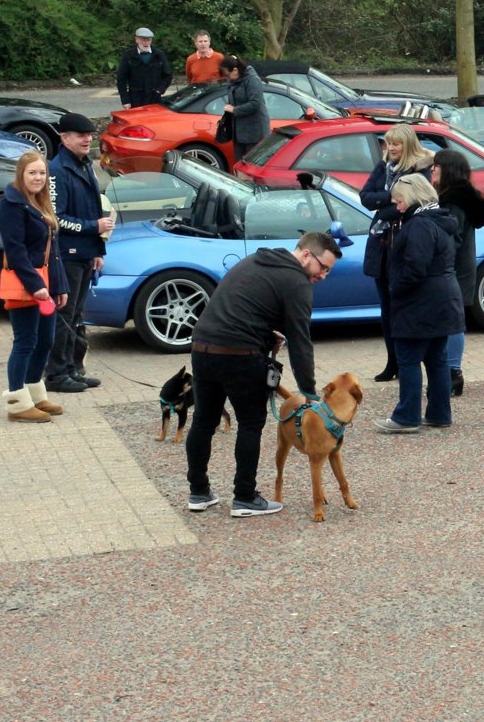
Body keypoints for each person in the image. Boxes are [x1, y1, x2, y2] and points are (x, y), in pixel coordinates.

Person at [185, 231, 339, 517]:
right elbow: (301, 341)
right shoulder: (296, 282)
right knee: (250, 423)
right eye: (323, 267)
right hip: (238, 355)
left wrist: (267, 336)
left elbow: (242, 305)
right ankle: (244, 497)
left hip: (202, 345)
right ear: (306, 254)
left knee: (203, 421)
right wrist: (308, 392)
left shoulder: (257, 259)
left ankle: (198, 492)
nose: (324, 275)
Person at [375, 175, 464, 433]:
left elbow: (415, 267)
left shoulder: (419, 225)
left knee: (409, 358)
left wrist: (395, 288)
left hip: (420, 301)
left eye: (399, 200)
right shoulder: (440, 221)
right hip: (444, 297)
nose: (397, 206)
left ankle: (407, 417)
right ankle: (439, 413)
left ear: (412, 198)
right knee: (436, 358)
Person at [0, 151, 70, 424]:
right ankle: (17, 402)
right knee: (25, 342)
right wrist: (37, 286)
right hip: (27, 286)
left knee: (46, 341)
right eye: (32, 173)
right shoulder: (11, 206)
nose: (38, 178)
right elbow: (16, 252)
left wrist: (59, 286)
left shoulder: (40, 203)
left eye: (41, 173)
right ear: (21, 175)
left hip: (47, 286)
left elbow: (54, 252)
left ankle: (35, 394)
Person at [44, 113, 115, 393]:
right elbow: (56, 218)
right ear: (65, 138)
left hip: (86, 252)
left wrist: (98, 248)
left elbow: (94, 208)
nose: (87, 139)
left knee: (76, 316)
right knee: (64, 316)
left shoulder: (85, 165)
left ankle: (74, 368)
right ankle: (56, 374)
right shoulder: (58, 170)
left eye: (89, 135)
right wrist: (91, 227)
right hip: (67, 255)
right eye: (80, 135)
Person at [361, 124, 434, 379]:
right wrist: (390, 197)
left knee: (404, 306)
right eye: (388, 143)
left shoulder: (420, 170)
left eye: (396, 144)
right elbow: (365, 197)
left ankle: (409, 363)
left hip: (403, 243)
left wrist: (384, 206)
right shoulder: (384, 166)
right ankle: (392, 362)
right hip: (381, 244)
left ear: (408, 145)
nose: (390, 148)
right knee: (386, 308)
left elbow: (413, 205)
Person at [431, 148, 484, 396]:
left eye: (436, 166)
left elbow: (452, 239)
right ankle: (450, 371)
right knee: (452, 319)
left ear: (446, 170)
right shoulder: (454, 195)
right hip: (458, 268)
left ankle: (452, 373)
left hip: (454, 270)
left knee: (453, 321)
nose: (432, 170)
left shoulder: (455, 200)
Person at [219, 56, 270, 164]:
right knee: (240, 165)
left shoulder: (252, 80)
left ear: (235, 70)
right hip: (239, 132)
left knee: (252, 165)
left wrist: (234, 109)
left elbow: (256, 103)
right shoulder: (234, 81)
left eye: (228, 75)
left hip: (255, 132)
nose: (227, 78)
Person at [117, 27, 172, 108]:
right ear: (137, 40)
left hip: (154, 98)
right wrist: (125, 100)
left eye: (148, 40)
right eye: (143, 40)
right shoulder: (128, 56)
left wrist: (160, 89)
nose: (146, 43)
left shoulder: (159, 55)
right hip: (135, 99)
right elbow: (121, 80)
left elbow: (168, 75)